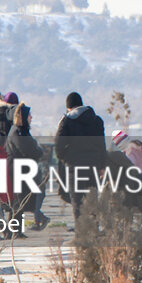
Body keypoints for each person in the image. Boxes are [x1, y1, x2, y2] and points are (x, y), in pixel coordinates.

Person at [54, 91, 107, 222]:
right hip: (94, 166)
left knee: (77, 203)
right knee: (92, 200)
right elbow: (102, 145)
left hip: (75, 167)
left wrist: (66, 159)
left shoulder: (66, 121)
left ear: (69, 107)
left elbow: (58, 146)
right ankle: (93, 231)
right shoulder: (96, 120)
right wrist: (102, 166)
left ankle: (82, 235)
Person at [7, 104, 49, 229]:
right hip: (17, 171)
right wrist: (38, 152)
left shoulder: (23, 131)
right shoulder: (16, 132)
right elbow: (29, 150)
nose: (31, 117)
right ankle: (14, 229)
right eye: (29, 115)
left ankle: (17, 229)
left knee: (23, 200)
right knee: (18, 201)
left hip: (24, 170)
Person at [109, 129, 142, 211]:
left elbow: (130, 168)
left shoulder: (128, 153)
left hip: (129, 183)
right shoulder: (132, 151)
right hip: (136, 182)